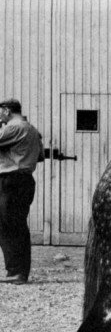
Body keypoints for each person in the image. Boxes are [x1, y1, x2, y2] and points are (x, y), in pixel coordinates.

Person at [0, 99, 44, 284]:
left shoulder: (13, 127)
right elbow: (40, 156)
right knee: (17, 225)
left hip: (10, 180)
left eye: (0, 112)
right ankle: (19, 271)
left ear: (7, 110)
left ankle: (16, 272)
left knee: (8, 225)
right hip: (24, 180)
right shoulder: (32, 130)